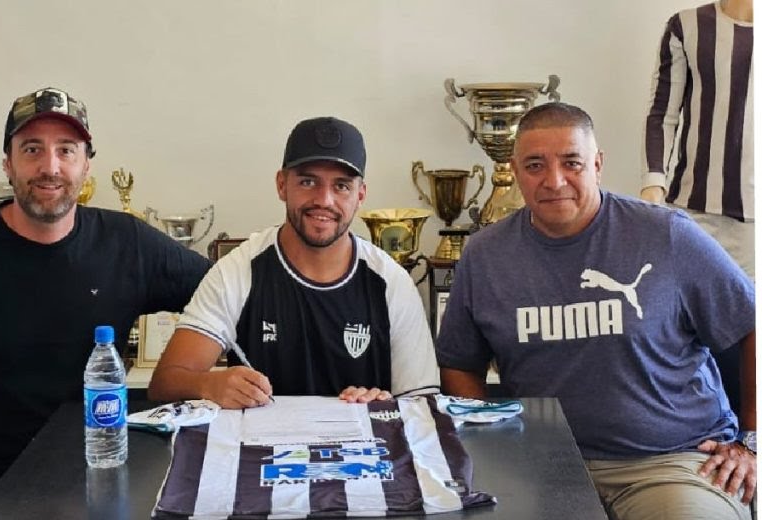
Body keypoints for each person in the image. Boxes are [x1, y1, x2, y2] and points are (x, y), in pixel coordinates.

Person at [0, 87, 212, 519]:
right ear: (8, 164)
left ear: (86, 165)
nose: (50, 167)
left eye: (66, 150)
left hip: (98, 470)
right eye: (32, 149)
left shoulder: (128, 242)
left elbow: (223, 293)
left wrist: (205, 380)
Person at [437, 102, 755, 520]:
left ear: (598, 165)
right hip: (544, 467)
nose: (554, 180)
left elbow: (751, 324)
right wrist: (492, 443)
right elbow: (460, 363)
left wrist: (751, 441)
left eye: (572, 163)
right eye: (535, 165)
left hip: (672, 462)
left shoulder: (666, 234)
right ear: (515, 172)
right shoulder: (484, 255)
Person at [148, 116, 439, 408]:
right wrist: (209, 384)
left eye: (341, 186)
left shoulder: (391, 281)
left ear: (360, 195)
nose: (324, 200)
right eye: (308, 182)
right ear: (282, 185)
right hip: (259, 439)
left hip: (360, 439)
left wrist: (385, 405)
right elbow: (164, 383)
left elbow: (423, 405)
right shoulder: (239, 270)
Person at [642, 0, 753, 279]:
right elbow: (662, 114)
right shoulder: (686, 25)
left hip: (754, 226)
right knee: (686, 303)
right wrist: (653, 184)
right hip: (694, 213)